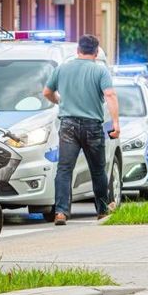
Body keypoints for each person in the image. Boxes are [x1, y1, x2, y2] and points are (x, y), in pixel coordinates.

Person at [42, 34, 120, 225]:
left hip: (68, 126)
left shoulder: (62, 69)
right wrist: (116, 124)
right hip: (92, 126)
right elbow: (109, 94)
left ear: (78, 50)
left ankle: (61, 212)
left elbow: (47, 92)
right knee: (98, 169)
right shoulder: (100, 71)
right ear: (96, 51)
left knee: (64, 169)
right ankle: (102, 210)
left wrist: (60, 101)